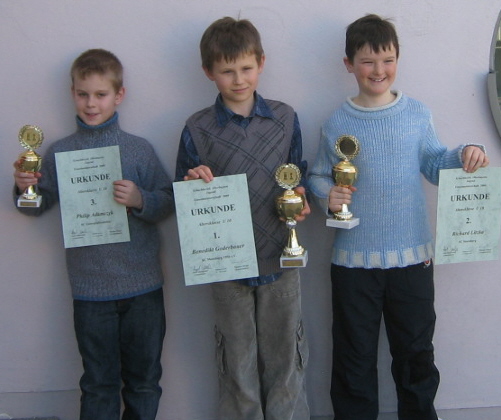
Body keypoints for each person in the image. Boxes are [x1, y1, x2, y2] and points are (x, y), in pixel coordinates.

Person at [308, 14, 489, 420]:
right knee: (353, 358)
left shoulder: (417, 114)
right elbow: (318, 175)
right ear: (349, 64)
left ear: (397, 59)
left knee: (416, 354)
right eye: (368, 61)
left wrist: (466, 154)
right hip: (353, 263)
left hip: (413, 260)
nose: (379, 70)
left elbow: (434, 163)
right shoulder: (336, 122)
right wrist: (327, 195)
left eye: (387, 60)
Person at [13, 49, 175, 420]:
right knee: (98, 384)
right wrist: (25, 189)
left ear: (119, 95)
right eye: (83, 94)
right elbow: (35, 207)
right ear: (72, 93)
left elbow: (167, 202)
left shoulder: (138, 149)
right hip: (90, 290)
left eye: (101, 94)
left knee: (144, 382)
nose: (91, 103)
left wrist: (140, 199)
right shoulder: (59, 152)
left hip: (143, 288)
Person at [175, 17, 310, 420]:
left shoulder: (286, 118)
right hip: (226, 266)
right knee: (237, 365)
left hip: (280, 259)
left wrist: (300, 199)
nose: (238, 79)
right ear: (208, 72)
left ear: (261, 63)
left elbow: (297, 175)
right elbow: (182, 198)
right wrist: (193, 183)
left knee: (287, 361)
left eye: (246, 68)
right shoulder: (197, 128)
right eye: (227, 71)